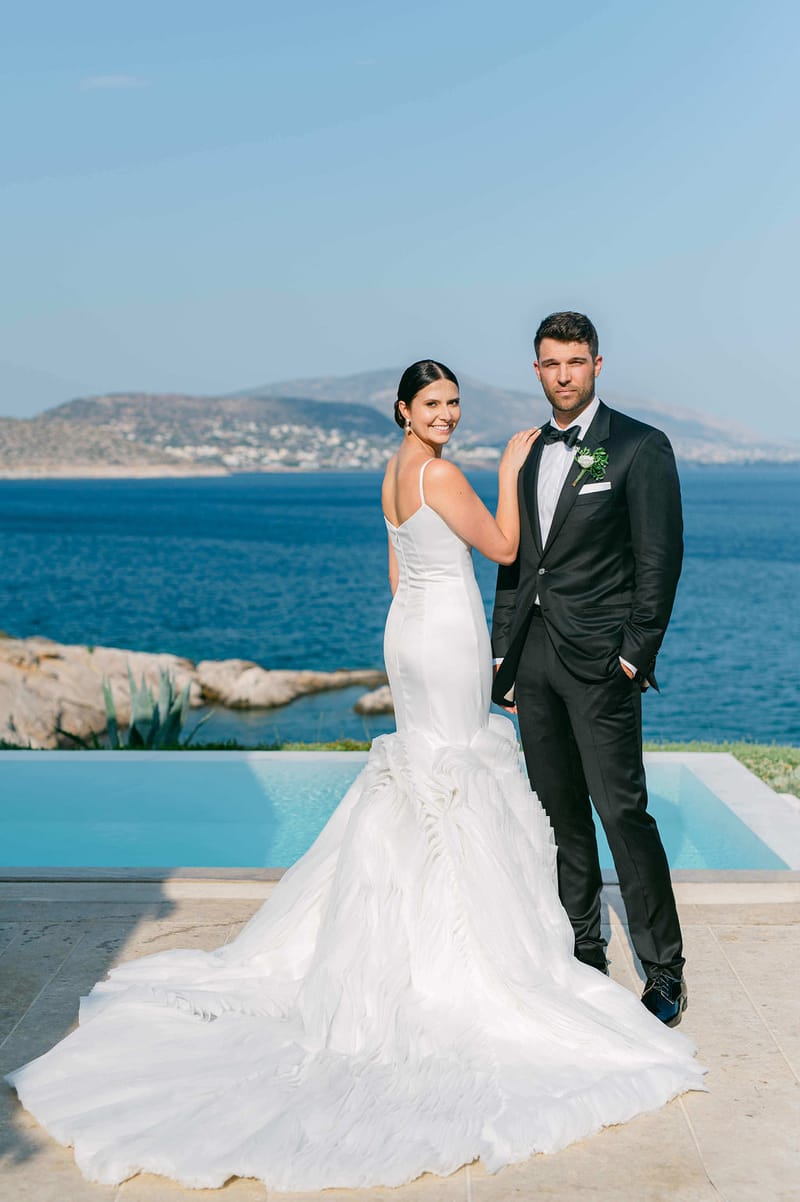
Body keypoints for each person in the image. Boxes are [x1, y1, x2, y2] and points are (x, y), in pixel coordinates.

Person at [5, 360, 704, 1193]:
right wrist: (509, 472)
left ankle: (421, 928)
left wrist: (431, 609)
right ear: (404, 410)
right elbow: (506, 548)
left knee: (423, 774)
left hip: (407, 632)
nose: (447, 415)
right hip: (444, 636)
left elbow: (399, 572)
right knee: (454, 776)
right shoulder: (443, 473)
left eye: (453, 403)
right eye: (433, 404)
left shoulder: (391, 474)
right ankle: (461, 949)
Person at [491, 312, 688, 1026]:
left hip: (604, 662)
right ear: (537, 370)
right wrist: (503, 656)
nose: (564, 375)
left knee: (622, 813)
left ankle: (664, 970)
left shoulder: (638, 446)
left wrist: (634, 654)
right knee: (559, 813)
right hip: (534, 659)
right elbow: (517, 561)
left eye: (575, 362)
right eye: (551, 363)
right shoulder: (527, 450)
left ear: (597, 365)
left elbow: (659, 560)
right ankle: (582, 949)